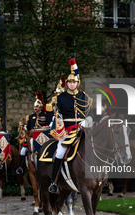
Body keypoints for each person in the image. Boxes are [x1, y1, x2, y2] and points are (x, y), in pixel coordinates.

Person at [48, 59, 92, 194]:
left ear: (77, 84)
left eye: (74, 82)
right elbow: (58, 115)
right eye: (70, 82)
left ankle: (101, 179)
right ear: (67, 84)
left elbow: (90, 113)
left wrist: (88, 121)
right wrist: (56, 124)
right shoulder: (60, 98)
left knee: (97, 148)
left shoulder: (84, 97)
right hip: (67, 131)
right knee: (60, 152)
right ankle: (54, 182)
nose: (72, 84)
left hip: (83, 130)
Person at [16, 92, 51, 175]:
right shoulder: (31, 116)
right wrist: (23, 126)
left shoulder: (45, 116)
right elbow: (28, 128)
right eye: (35, 106)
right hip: (31, 137)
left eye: (37, 106)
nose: (35, 108)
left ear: (41, 107)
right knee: (23, 150)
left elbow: (48, 126)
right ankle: (21, 167)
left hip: (42, 138)